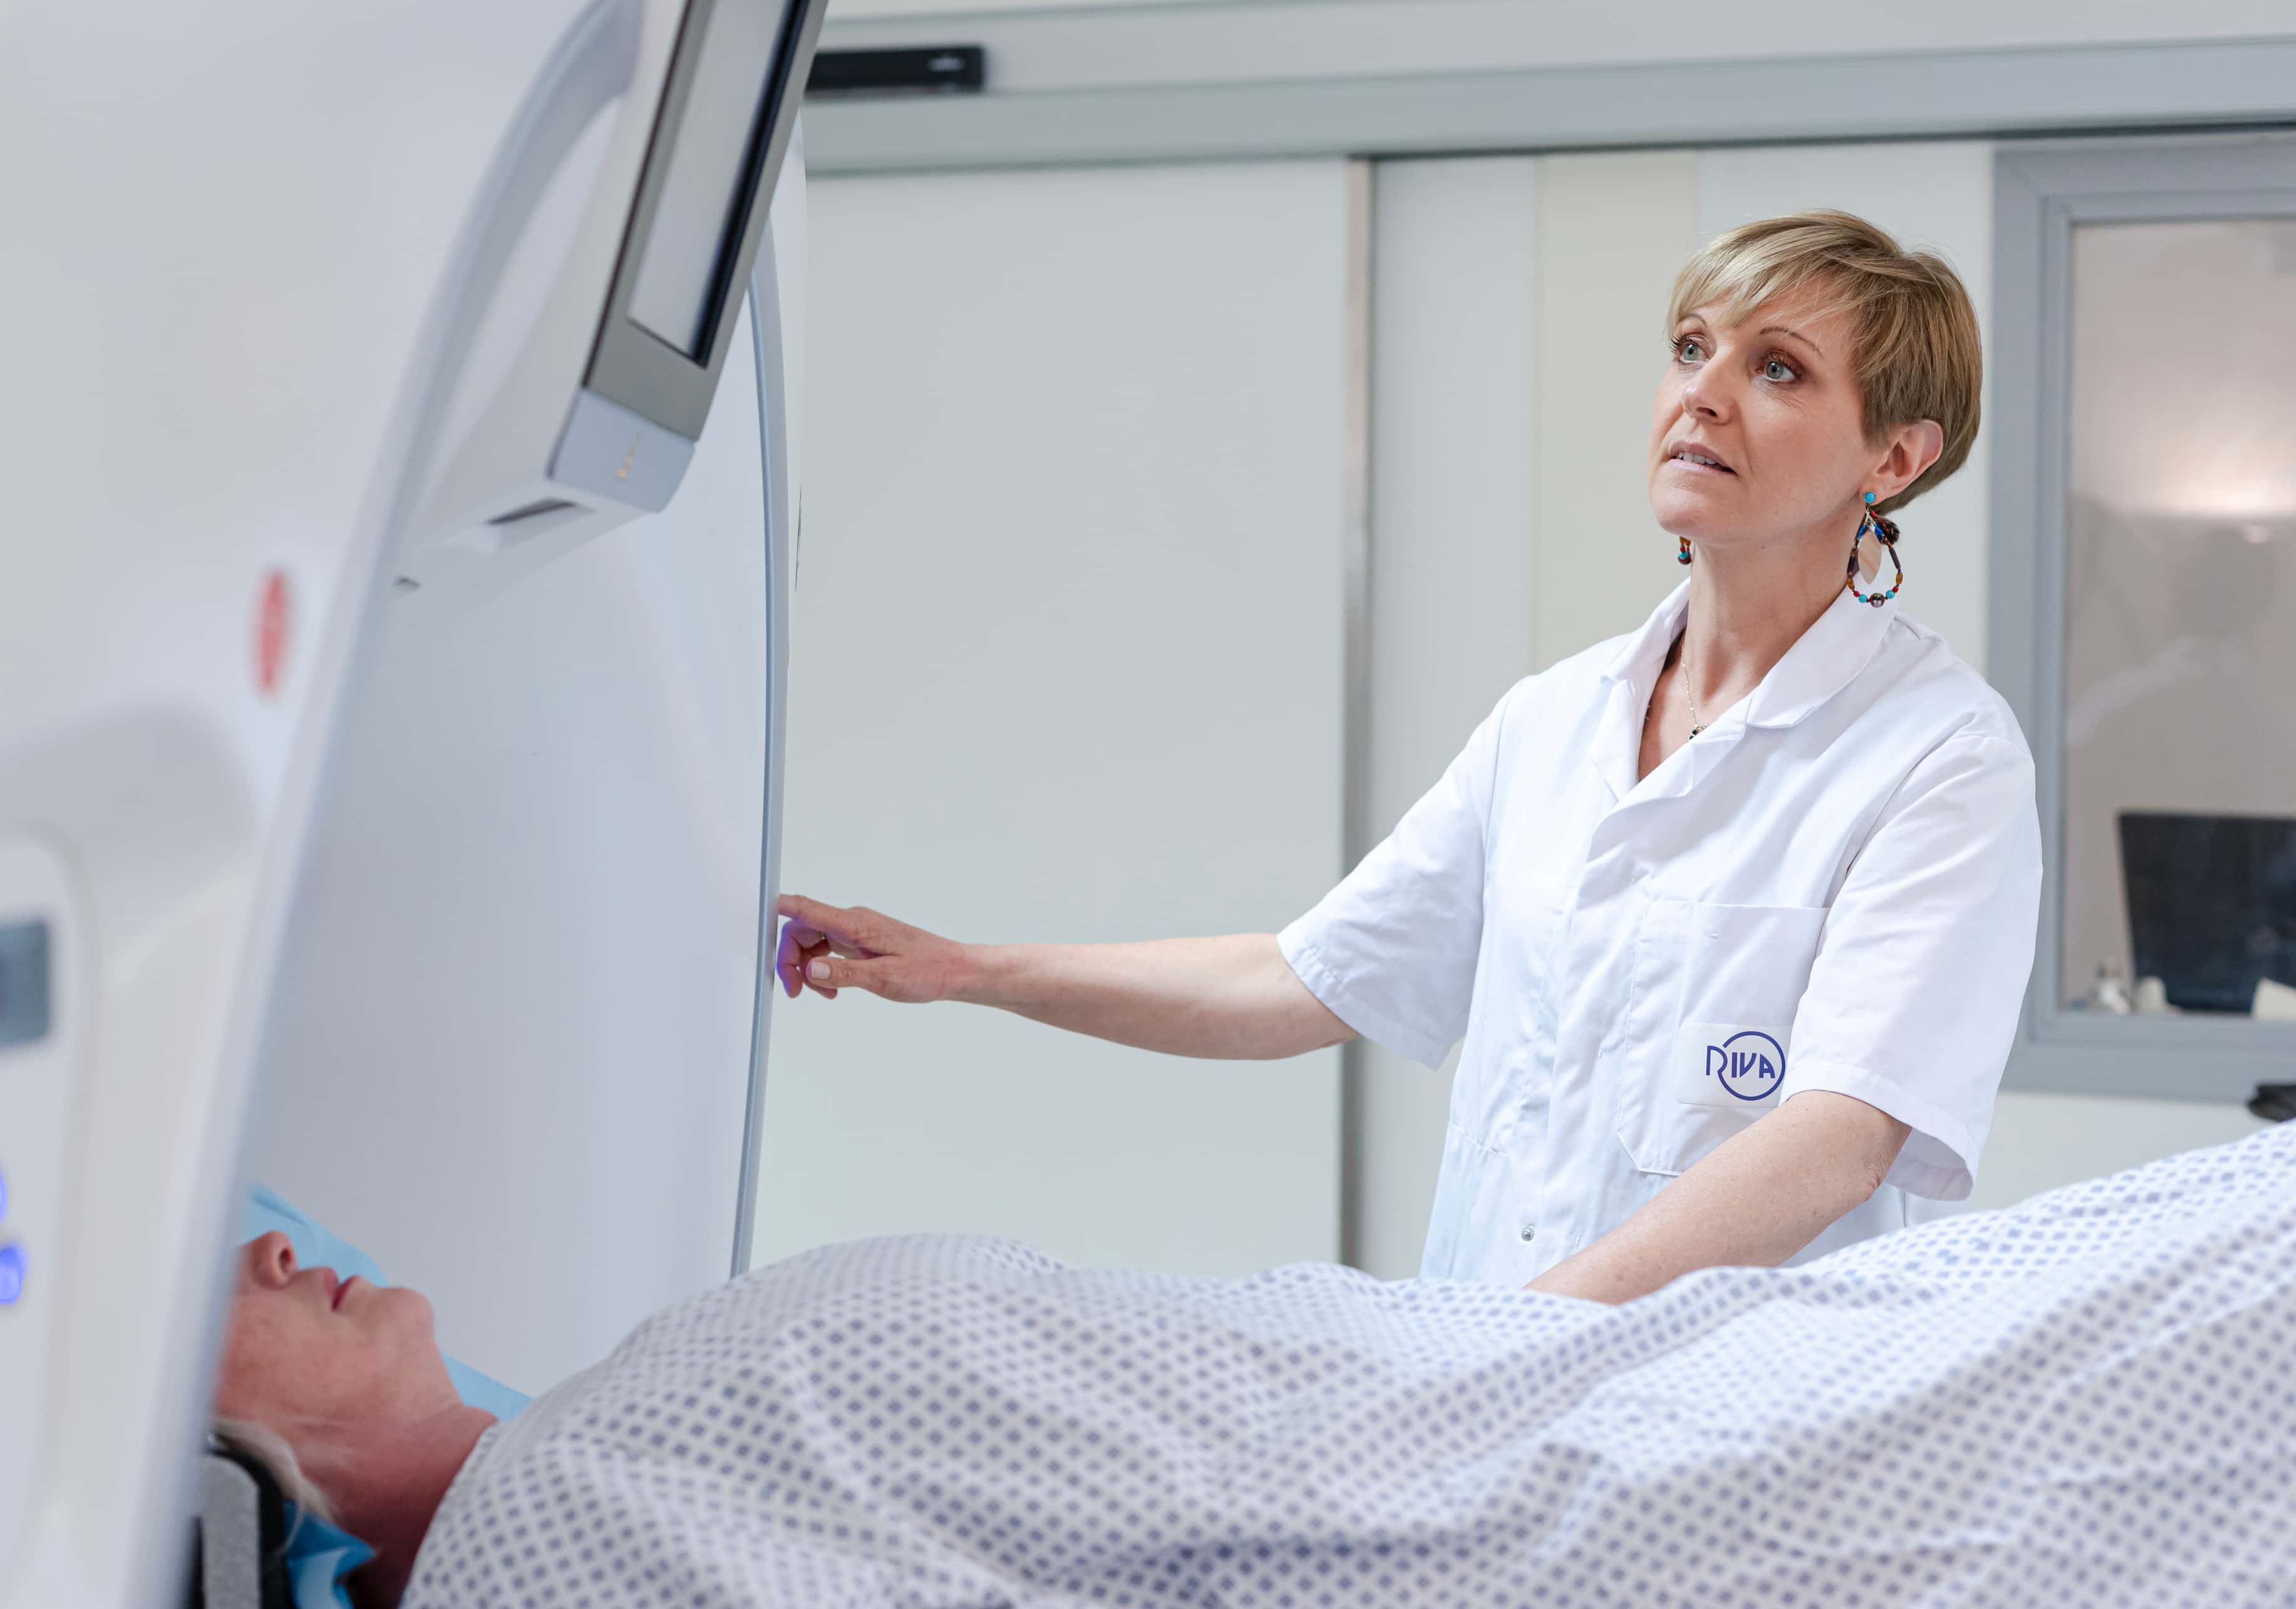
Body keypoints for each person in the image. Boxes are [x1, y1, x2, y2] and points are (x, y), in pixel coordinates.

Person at [775, 210, 2039, 1301]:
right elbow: (1302, 979)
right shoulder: (1552, 722)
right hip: (1479, 1380)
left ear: (1894, 457)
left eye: (1777, 368)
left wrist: (1523, 1332)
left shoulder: (1939, 755)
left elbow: (1836, 1137)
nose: (1701, 392)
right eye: (1690, 347)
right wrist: (966, 968)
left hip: (1716, 1426)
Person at [214, 1121, 2296, 1607]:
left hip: (1551, 1425)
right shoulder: (579, 1519)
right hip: (1587, 1495)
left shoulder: (607, 1441)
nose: (282, 1242)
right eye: (223, 1279)